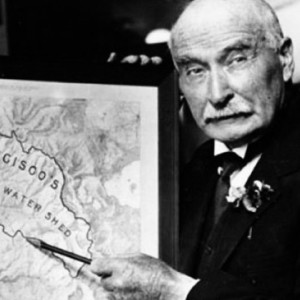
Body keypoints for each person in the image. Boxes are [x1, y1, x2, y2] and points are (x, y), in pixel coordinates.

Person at [89, 0, 300, 298]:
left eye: (237, 59)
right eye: (195, 71)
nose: (217, 94)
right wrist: (140, 106)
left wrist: (172, 289)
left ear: (285, 58)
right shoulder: (196, 167)